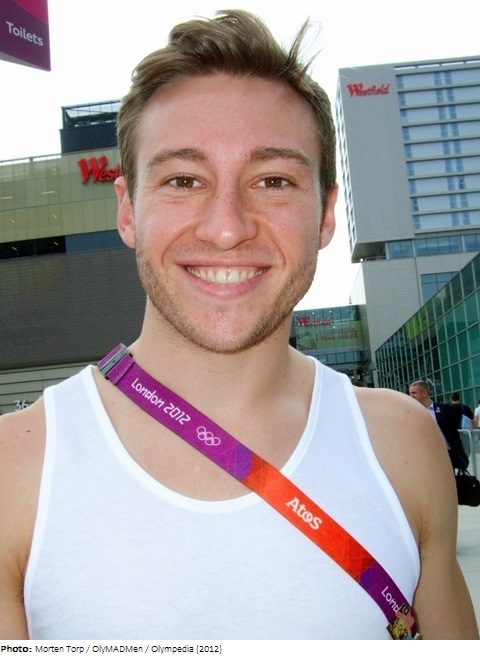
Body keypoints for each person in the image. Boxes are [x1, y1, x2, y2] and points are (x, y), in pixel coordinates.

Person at [0, 10, 478, 641]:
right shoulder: (15, 469)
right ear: (128, 211)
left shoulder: (401, 444)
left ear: (326, 214)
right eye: (183, 180)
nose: (227, 228)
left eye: (273, 180)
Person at [409, 381, 469, 470]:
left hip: (447, 455)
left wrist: (460, 454)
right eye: (410, 393)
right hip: (426, 456)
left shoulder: (444, 409)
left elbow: (453, 433)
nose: (411, 396)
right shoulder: (411, 413)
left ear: (424, 393)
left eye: (414, 393)